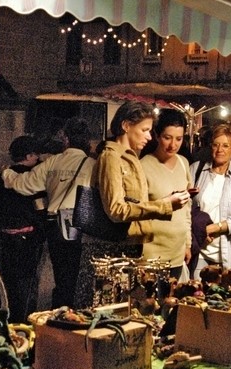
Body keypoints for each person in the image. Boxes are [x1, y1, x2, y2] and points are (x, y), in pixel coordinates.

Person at [73, 102, 190, 308]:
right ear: (126, 126)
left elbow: (134, 203)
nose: (149, 137)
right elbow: (116, 210)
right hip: (108, 250)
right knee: (105, 312)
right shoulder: (111, 156)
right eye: (144, 130)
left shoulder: (130, 157)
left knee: (124, 311)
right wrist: (163, 205)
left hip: (126, 248)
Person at [1, 118, 95, 310]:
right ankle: (74, 313)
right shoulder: (93, 164)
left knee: (61, 276)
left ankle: (59, 313)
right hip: (82, 226)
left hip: (55, 225)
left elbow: (25, 184)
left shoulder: (53, 161)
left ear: (66, 139)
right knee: (79, 279)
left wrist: (6, 173)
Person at [0, 135, 46, 322]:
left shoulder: (3, 175)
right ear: (28, 156)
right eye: (35, 154)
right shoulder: (33, 177)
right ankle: (22, 320)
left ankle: (4, 316)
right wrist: (41, 231)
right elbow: (40, 207)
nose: (38, 158)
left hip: (6, 235)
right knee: (26, 282)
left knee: (9, 279)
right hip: (28, 236)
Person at [189, 123, 231, 278]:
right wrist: (199, 230)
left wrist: (212, 228)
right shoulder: (196, 169)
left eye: (225, 145)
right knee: (196, 291)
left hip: (228, 254)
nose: (219, 150)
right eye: (216, 145)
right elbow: (186, 206)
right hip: (199, 250)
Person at [140, 109, 192, 280]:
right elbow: (138, 211)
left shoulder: (183, 163)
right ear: (157, 135)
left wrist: (187, 243)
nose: (173, 145)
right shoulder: (144, 165)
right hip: (151, 253)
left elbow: (187, 209)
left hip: (177, 252)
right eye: (167, 137)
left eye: (179, 139)